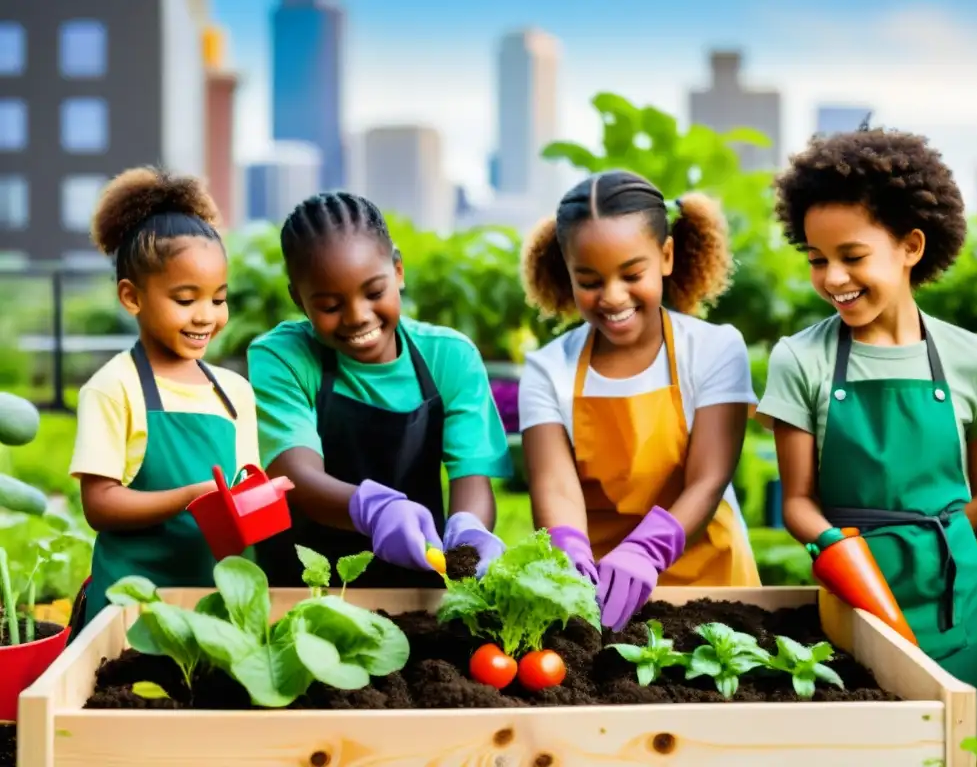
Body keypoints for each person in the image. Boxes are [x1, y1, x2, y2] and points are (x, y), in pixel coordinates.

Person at [756, 127, 977, 762]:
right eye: (817, 259)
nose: (833, 278)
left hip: (956, 600)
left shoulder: (973, 359)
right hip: (854, 593)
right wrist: (845, 554)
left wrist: (938, 541)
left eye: (852, 255)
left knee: (975, 750)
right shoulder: (802, 359)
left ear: (911, 246)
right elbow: (797, 503)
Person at [518, 170, 761, 633]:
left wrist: (647, 549)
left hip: (712, 587)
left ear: (666, 256)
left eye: (632, 274)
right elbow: (555, 488)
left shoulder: (714, 349)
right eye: (588, 280)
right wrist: (570, 556)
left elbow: (708, 481)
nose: (612, 297)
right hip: (599, 596)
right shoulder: (549, 369)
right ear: (566, 273)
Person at [247, 191, 512, 588]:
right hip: (304, 586)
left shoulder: (450, 358)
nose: (357, 316)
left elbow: (471, 478)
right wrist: (373, 510)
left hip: (416, 585)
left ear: (398, 270)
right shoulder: (282, 356)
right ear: (298, 300)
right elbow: (294, 473)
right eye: (330, 306)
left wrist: (469, 530)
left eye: (374, 292)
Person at [67, 167, 260, 635]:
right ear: (132, 297)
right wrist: (191, 498)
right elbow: (100, 505)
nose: (206, 316)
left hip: (218, 610)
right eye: (185, 299)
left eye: (218, 299)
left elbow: (247, 489)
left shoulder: (235, 393)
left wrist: (267, 497)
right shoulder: (114, 387)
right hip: (133, 612)